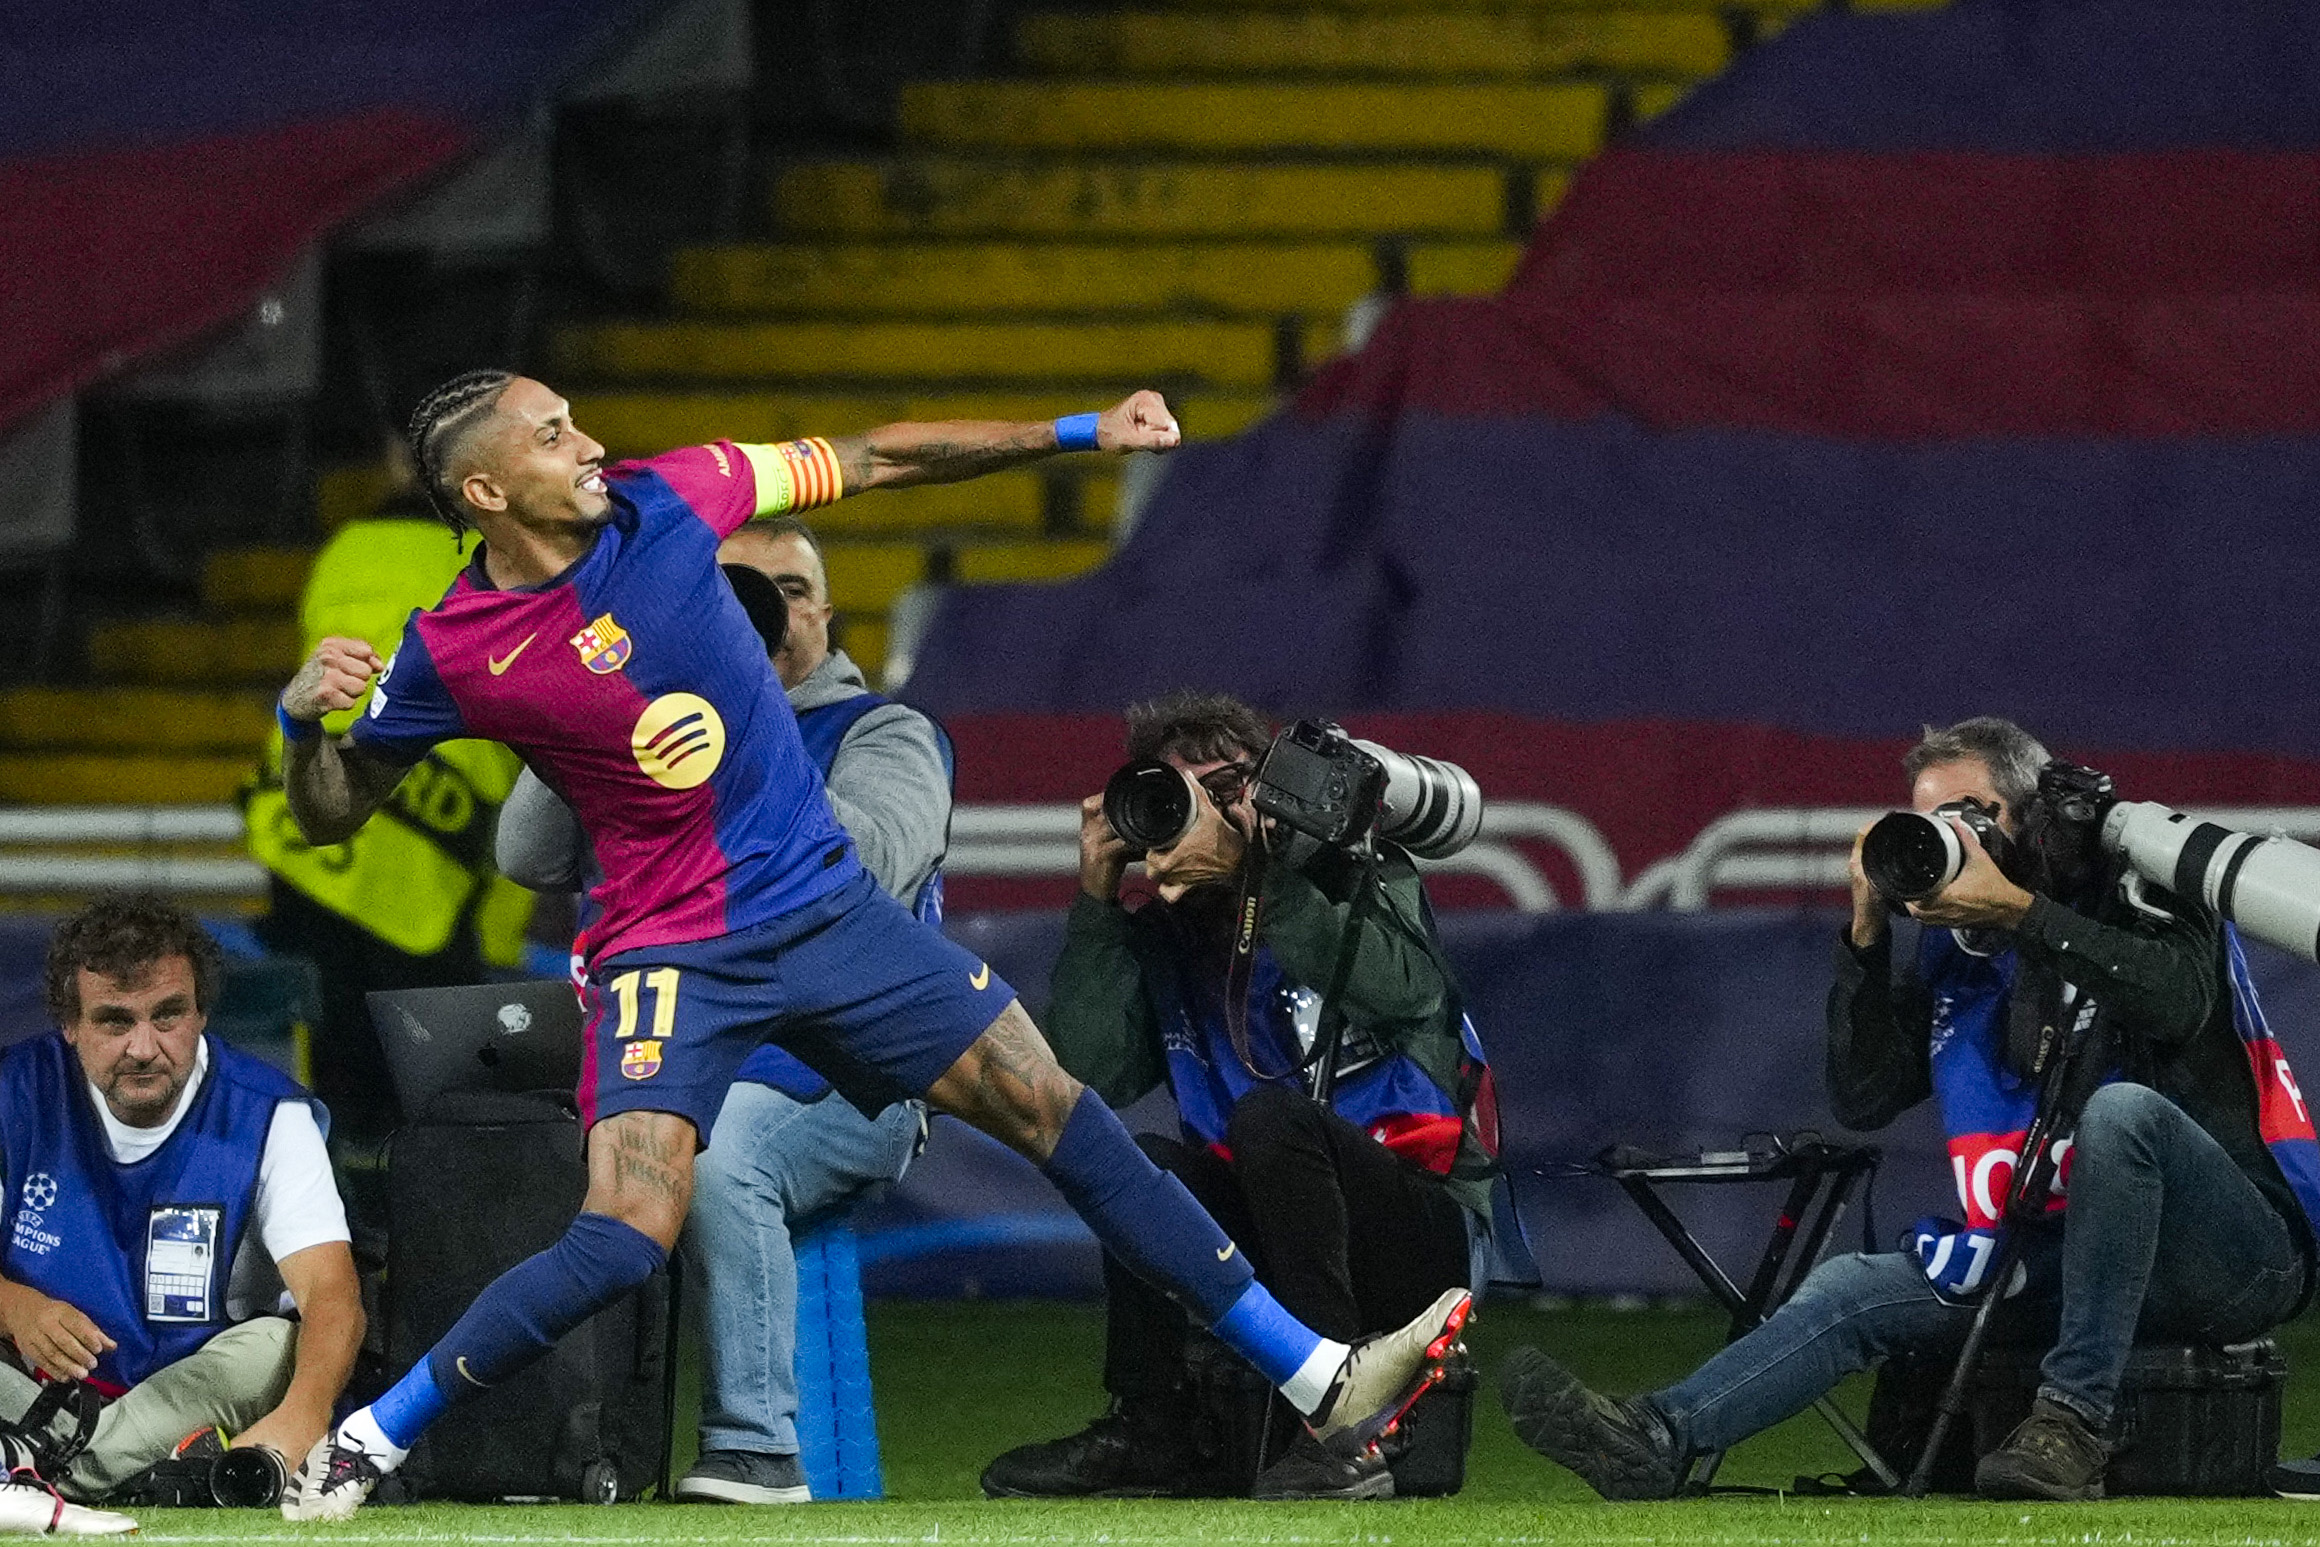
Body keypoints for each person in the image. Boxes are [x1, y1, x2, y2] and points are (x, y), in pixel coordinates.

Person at [269, 372, 1471, 1521]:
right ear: (484, 493)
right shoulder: (456, 647)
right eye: (549, 435)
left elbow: (877, 455)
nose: (586, 445)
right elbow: (332, 806)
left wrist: (1075, 431)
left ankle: (1315, 1374)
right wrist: (297, 722)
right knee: (621, 1233)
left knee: (1054, 1105)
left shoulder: (674, 495)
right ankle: (364, 1443)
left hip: (831, 915)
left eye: (574, 421)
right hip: (670, 955)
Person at [1500, 717, 2315, 1503]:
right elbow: (1865, 1096)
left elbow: (2176, 1003)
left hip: (2236, 1252)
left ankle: (2072, 1422)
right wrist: (1865, 933)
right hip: (2075, 1253)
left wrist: (2024, 913)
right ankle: (1655, 1438)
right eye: (1928, 821)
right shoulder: (1957, 945)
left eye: (1970, 814)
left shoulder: (2143, 878)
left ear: (2032, 815)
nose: (1949, 837)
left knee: (2123, 1114)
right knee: (1855, 1286)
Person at [494, 514, 946, 1504]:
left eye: (786, 588)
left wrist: (743, 719)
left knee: (718, 1145)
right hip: (670, 1060)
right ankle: (539, 1450)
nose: (763, 609)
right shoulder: (653, 727)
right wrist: (592, 700)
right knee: (513, 1140)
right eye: (733, 591)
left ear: (824, 613)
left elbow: (872, 861)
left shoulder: (882, 730)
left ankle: (756, 1448)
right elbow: (523, 854)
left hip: (844, 1081)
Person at [981, 692, 1495, 1502]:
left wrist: (1265, 882)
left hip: (1417, 1227)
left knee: (1268, 1119)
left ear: (1266, 792)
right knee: (1137, 1161)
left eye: (1219, 788)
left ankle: (1338, 1432)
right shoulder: (1168, 932)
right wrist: (1097, 896)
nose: (1195, 816)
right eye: (1171, 796)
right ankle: (1153, 1429)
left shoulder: (1353, 874)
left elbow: (1407, 995)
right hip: (1273, 1223)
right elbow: (1091, 1071)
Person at [0, 895, 362, 1517]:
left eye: (167, 1016)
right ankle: (90, 1475)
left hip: (183, 1394)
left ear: (201, 1013)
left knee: (276, 1345)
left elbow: (335, 1299)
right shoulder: (14, 1093)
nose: (144, 1048)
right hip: (31, 1390)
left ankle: (30, 1474)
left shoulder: (269, 1115)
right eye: (115, 1022)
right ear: (70, 1024)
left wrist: (303, 1418)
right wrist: (13, 1303)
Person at [244, 465, 533, 1146]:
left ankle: (336, 1190)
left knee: (328, 1036)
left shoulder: (344, 546)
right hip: (433, 818)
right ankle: (428, 1189)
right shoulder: (495, 561)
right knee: (435, 1064)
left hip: (308, 812)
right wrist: (500, 934)